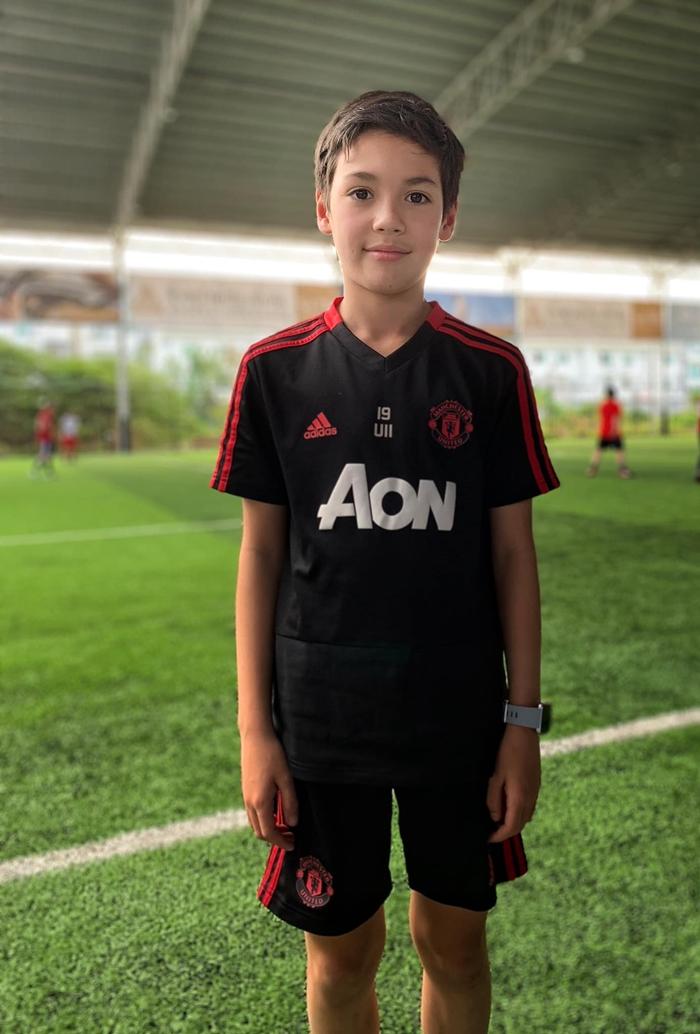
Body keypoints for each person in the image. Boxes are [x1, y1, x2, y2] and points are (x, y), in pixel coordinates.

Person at [211, 91, 560, 1034]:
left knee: (456, 945)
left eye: (417, 195)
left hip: (460, 720)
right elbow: (261, 555)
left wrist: (522, 723)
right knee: (340, 956)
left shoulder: (490, 372)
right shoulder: (273, 371)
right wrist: (255, 732)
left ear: (448, 218)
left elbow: (513, 554)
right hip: (322, 724)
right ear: (324, 209)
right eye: (362, 191)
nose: (387, 218)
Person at [587, 386, 631, 478]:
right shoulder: (616, 405)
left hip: (603, 432)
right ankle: (622, 470)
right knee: (619, 451)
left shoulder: (603, 405)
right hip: (614, 432)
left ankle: (592, 469)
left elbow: (601, 418)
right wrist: (614, 430)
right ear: (613, 395)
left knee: (598, 450)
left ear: (607, 395)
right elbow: (615, 419)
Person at [32, 399, 56, 476]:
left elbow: (38, 425)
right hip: (45, 438)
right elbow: (42, 426)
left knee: (46, 455)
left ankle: (47, 471)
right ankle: (35, 471)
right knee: (43, 454)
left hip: (46, 437)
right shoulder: (45, 414)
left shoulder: (46, 414)